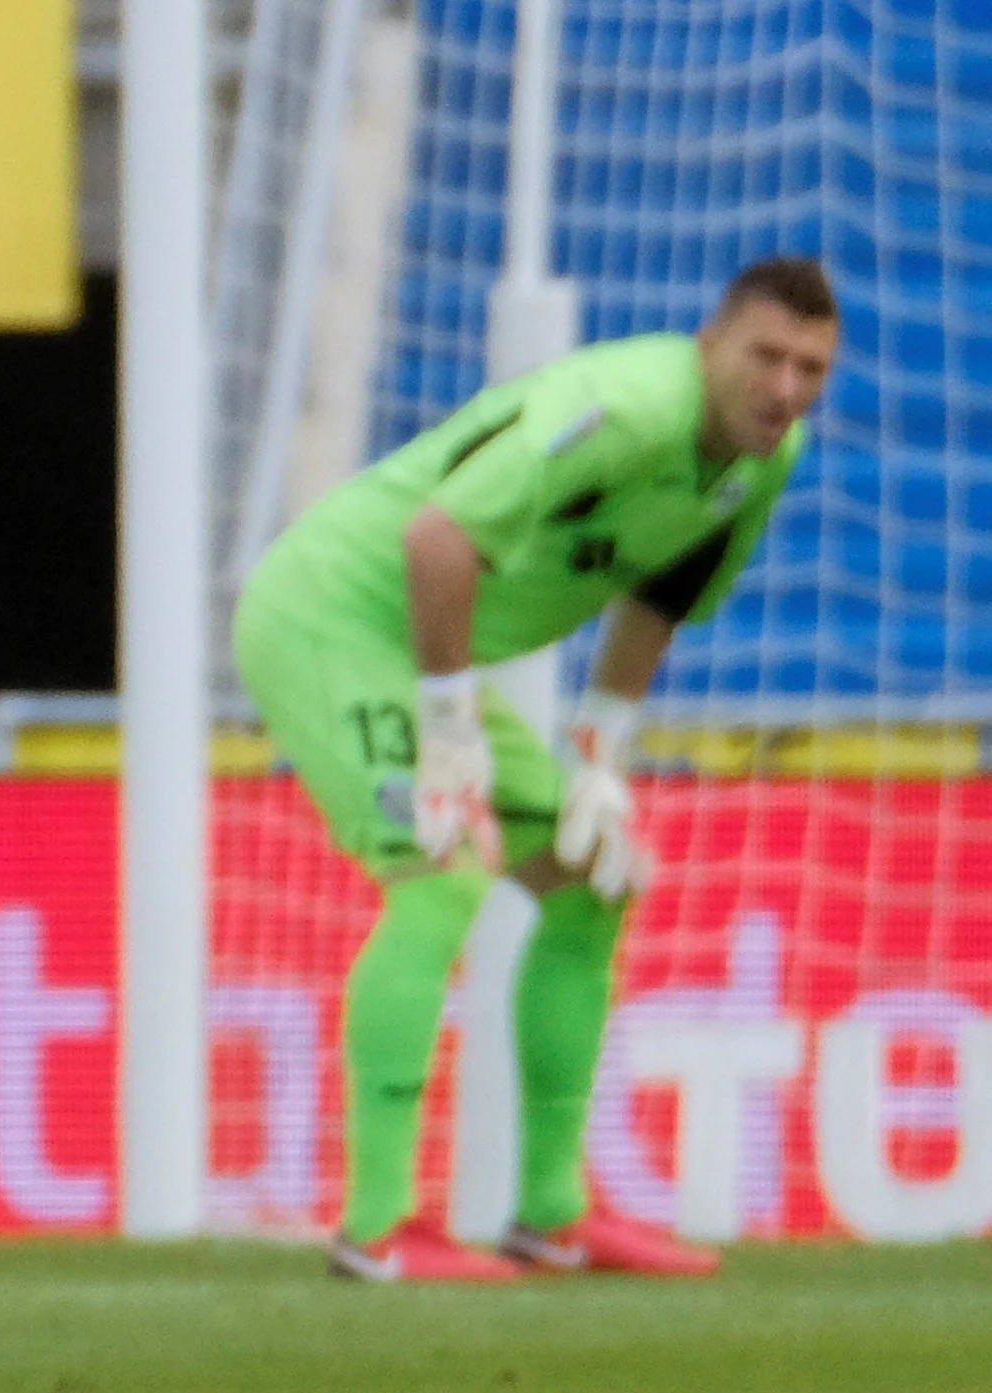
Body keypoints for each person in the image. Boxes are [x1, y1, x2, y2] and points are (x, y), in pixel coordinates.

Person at [236, 258, 837, 1283]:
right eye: (766, 356)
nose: (784, 387)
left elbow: (666, 590)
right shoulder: (625, 410)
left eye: (810, 369)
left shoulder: (762, 459)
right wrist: (446, 731)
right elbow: (438, 537)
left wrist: (597, 749)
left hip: (426, 658)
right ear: (709, 346)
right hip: (333, 617)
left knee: (591, 875)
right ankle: (376, 1226)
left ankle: (552, 1212)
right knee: (443, 867)